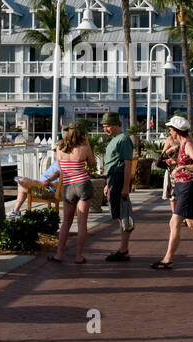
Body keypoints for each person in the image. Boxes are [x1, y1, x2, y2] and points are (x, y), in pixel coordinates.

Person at [152, 116, 193, 270]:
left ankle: (167, 259)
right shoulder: (182, 144)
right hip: (184, 187)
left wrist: (183, 168)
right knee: (192, 224)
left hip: (188, 187)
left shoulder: (187, 144)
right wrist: (177, 163)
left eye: (171, 129)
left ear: (177, 131)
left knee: (174, 223)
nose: (169, 131)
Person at [49, 124, 96, 264]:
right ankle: (79, 256)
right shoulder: (84, 147)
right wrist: (87, 147)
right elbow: (92, 164)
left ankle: (58, 254)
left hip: (68, 186)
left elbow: (61, 168)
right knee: (82, 223)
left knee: (66, 222)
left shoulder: (59, 148)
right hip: (83, 184)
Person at [100, 112, 135, 261]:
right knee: (119, 214)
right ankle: (123, 248)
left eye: (107, 126)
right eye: (104, 126)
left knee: (123, 214)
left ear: (115, 125)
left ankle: (123, 249)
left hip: (119, 179)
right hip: (113, 179)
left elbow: (128, 165)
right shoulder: (115, 140)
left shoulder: (123, 140)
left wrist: (125, 186)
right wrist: (108, 184)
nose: (105, 129)